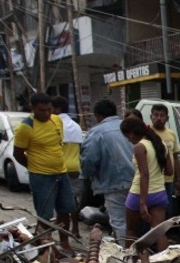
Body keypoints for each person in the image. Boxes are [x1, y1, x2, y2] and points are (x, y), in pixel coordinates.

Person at [13, 92, 75, 252]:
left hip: (61, 173)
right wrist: (35, 167)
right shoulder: (26, 127)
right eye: (42, 110)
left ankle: (65, 243)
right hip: (41, 176)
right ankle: (45, 245)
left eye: (49, 109)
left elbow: (58, 144)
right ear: (32, 108)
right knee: (44, 214)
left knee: (65, 210)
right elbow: (18, 153)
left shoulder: (56, 120)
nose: (46, 113)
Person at [81, 100, 135, 242]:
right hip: (137, 181)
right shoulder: (130, 127)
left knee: (119, 221)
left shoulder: (96, 132)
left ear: (98, 115)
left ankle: (125, 251)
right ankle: (137, 249)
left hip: (114, 183)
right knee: (134, 220)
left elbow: (88, 161)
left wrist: (89, 176)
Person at [120, 116, 172, 250]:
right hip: (159, 193)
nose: (128, 140)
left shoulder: (139, 147)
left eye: (127, 136)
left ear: (132, 133)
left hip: (138, 194)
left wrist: (142, 203)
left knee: (131, 231)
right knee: (159, 232)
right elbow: (169, 171)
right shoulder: (161, 144)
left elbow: (144, 174)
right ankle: (164, 261)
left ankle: (129, 260)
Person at [53, 96, 83, 235]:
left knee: (61, 202)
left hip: (60, 168)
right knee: (74, 200)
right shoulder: (76, 125)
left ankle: (62, 229)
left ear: (57, 109)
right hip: (75, 167)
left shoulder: (55, 125)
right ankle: (75, 228)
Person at [149, 104, 180, 216]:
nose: (159, 118)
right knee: (152, 211)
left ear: (167, 118)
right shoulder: (147, 133)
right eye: (156, 115)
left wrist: (177, 179)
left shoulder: (171, 134)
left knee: (167, 210)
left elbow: (175, 157)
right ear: (151, 117)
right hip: (152, 181)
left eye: (162, 115)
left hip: (168, 180)